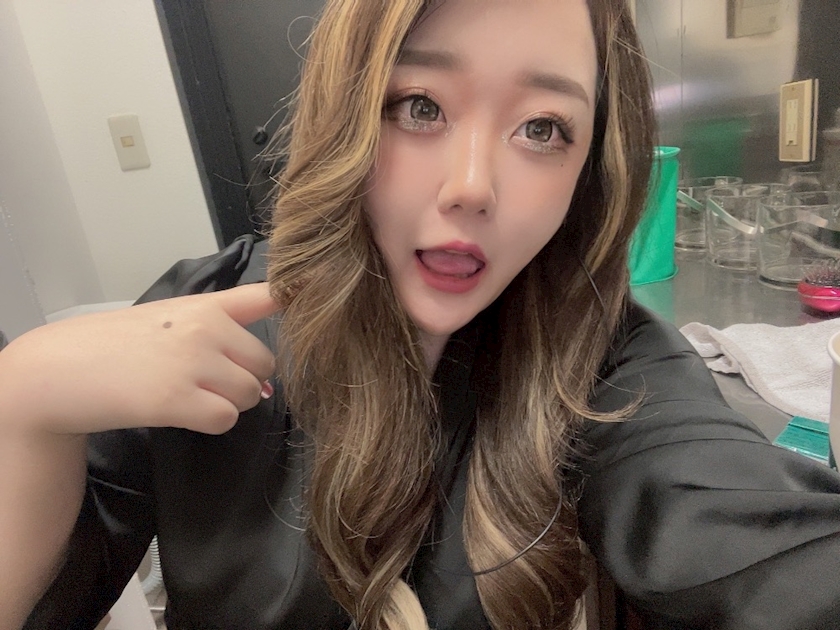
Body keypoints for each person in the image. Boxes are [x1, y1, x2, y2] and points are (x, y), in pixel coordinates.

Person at [1, 0, 839, 628]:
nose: (471, 186)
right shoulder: (203, 319)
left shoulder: (609, 363)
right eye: (420, 106)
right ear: (348, 112)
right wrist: (22, 401)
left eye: (543, 127)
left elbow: (759, 544)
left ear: (590, 167)